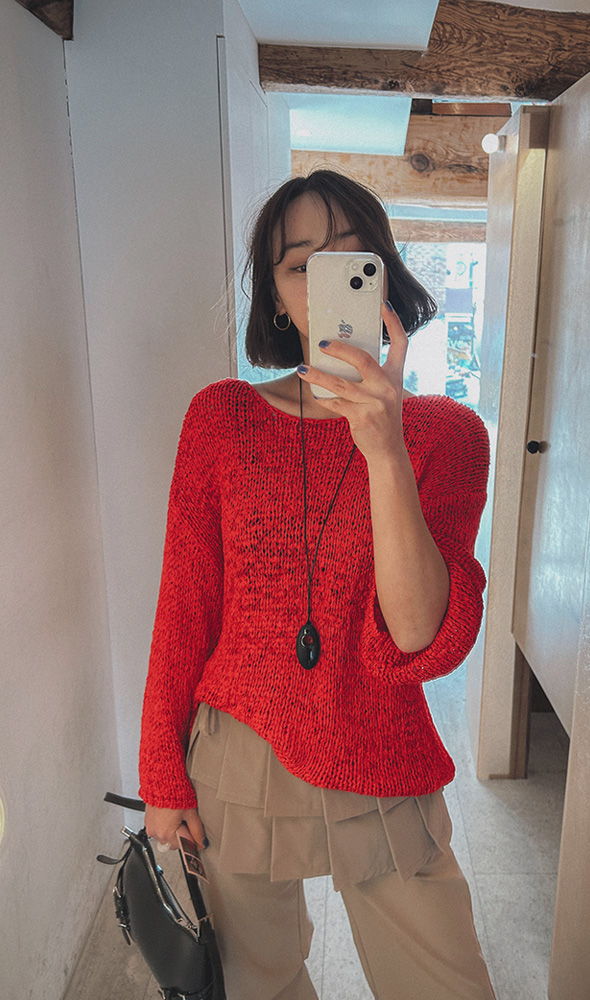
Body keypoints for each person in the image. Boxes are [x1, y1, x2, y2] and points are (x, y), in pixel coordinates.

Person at [139, 169, 496, 1000]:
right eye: (301, 264)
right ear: (276, 297)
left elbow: (421, 638)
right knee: (253, 983)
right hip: (237, 751)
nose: (325, 279)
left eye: (350, 256)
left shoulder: (446, 436)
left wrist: (385, 448)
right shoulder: (220, 419)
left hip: (380, 746)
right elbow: (185, 609)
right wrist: (162, 777)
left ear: (382, 275)